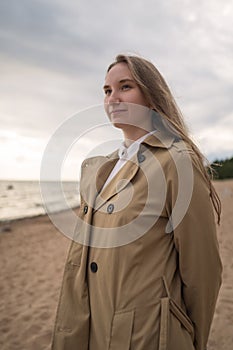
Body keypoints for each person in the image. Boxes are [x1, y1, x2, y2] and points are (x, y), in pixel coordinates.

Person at [51, 54, 222, 350]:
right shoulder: (100, 170)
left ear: (153, 97)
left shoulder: (177, 163)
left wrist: (192, 339)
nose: (112, 98)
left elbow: (202, 271)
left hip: (147, 336)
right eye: (107, 91)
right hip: (92, 329)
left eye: (125, 87)